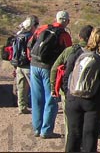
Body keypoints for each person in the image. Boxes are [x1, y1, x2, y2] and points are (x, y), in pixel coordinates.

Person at [64, 28, 100, 152]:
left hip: (73, 99)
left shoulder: (77, 53)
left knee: (73, 135)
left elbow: (67, 76)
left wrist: (68, 93)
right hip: (94, 101)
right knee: (90, 137)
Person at [28, 11, 72, 139]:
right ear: (67, 21)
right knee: (51, 97)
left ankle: (36, 128)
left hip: (34, 65)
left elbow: (30, 43)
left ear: (56, 19)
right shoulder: (64, 34)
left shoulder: (43, 28)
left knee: (36, 97)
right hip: (49, 68)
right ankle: (46, 130)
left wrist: (32, 59)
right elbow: (68, 53)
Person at [12, 15, 39, 114]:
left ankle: (22, 107)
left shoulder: (18, 36)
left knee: (21, 87)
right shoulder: (31, 37)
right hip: (28, 65)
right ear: (32, 26)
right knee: (35, 87)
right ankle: (37, 107)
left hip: (18, 65)